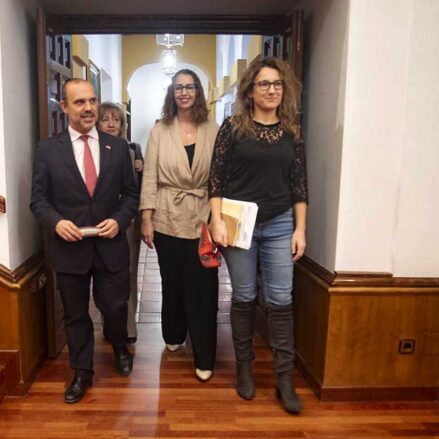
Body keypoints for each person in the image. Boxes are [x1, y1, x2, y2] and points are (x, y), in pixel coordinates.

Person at [208, 57, 308, 413]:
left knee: (281, 299)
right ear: (250, 90)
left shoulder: (291, 133)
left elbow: (299, 186)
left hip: (281, 223)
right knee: (246, 294)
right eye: (264, 84)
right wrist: (216, 220)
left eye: (277, 84)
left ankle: (284, 378)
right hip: (238, 224)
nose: (271, 90)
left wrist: (301, 229)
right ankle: (245, 368)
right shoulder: (233, 128)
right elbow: (216, 179)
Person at [30, 79, 139, 404]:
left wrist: (119, 221)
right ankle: (82, 372)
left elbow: (131, 196)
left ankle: (119, 346)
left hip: (110, 247)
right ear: (64, 107)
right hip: (69, 250)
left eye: (92, 100)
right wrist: (57, 222)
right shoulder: (48, 150)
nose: (89, 108)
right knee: (76, 315)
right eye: (80, 102)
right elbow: (38, 199)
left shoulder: (118, 147)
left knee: (115, 307)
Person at [140, 69, 219, 381]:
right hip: (167, 216)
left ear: (198, 92)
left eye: (190, 87)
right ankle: (173, 333)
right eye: (178, 88)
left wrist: (220, 219)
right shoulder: (160, 130)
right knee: (172, 281)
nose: (184, 92)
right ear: (171, 94)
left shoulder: (213, 129)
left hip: (204, 217)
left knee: (203, 287)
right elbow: (149, 178)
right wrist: (146, 218)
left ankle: (204, 354)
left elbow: (222, 177)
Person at [98, 102, 144, 345]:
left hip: (127, 221)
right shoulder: (89, 149)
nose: (111, 123)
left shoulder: (133, 149)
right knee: (104, 274)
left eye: (116, 119)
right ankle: (109, 327)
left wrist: (142, 169)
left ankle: (128, 329)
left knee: (127, 273)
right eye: (105, 119)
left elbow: (139, 189)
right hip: (97, 223)